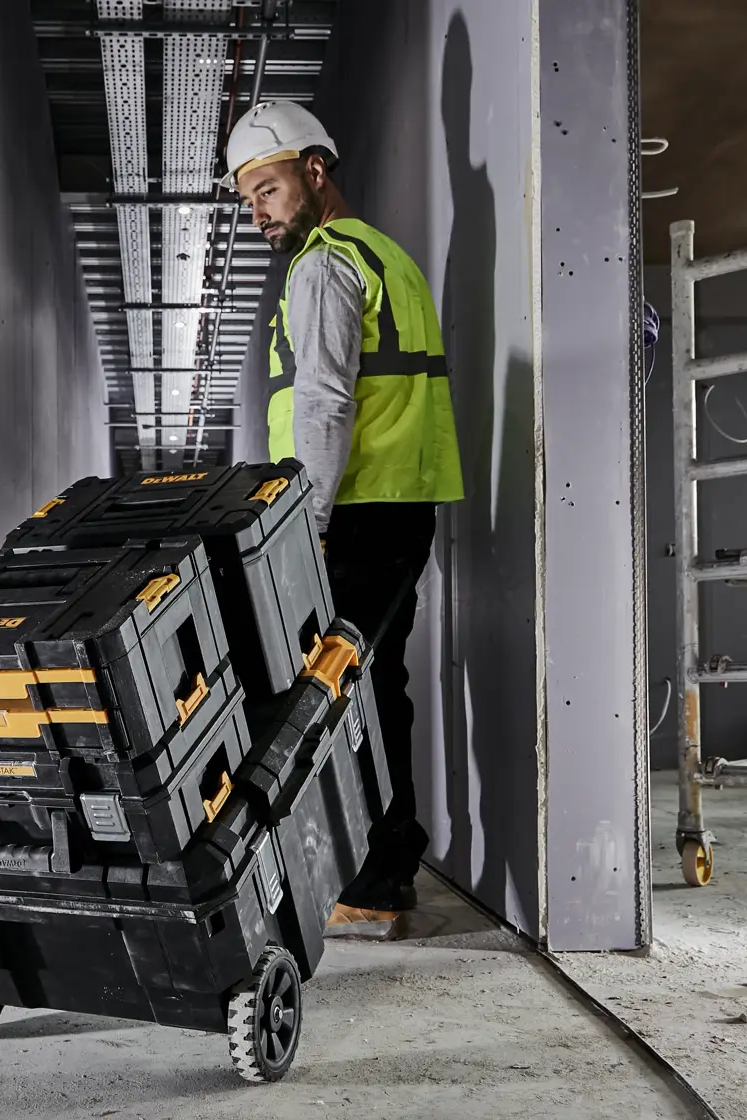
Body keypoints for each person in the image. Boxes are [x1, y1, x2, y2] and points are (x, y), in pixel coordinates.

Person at [223, 102, 464, 939]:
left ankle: (376, 877)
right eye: (248, 198)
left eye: (267, 188)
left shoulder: (324, 266)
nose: (257, 211)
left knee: (336, 689)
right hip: (399, 502)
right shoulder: (388, 256)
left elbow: (324, 404)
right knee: (373, 682)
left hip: (356, 508)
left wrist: (308, 522)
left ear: (313, 172)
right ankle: (385, 864)